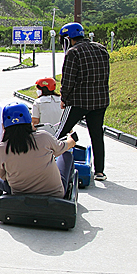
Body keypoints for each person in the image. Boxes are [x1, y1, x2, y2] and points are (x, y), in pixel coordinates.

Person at [0, 103, 77, 205]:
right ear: (29, 120)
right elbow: (64, 146)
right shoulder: (44, 137)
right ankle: (69, 194)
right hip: (54, 193)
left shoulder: (2, 148)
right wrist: (71, 139)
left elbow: (2, 175)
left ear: (4, 126)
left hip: (18, 192)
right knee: (66, 155)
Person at [56, 22, 110, 181]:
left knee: (61, 132)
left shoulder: (73, 52)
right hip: (100, 100)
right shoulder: (101, 49)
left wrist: (64, 98)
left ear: (68, 38)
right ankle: (100, 172)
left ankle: (48, 161)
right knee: (97, 135)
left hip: (78, 101)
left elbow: (68, 80)